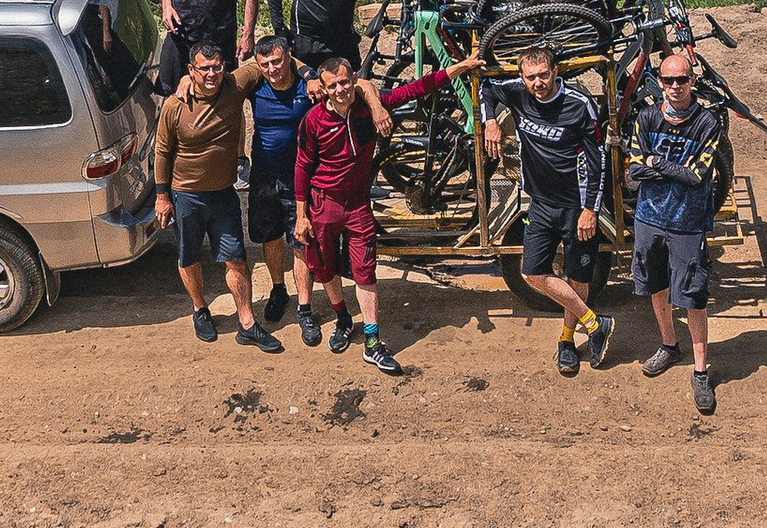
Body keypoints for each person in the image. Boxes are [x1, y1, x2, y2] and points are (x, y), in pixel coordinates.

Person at [293, 43, 477, 379]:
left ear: (354, 81)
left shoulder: (366, 108)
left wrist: (458, 68)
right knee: (324, 268)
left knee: (366, 270)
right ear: (325, 87)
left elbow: (417, 87)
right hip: (324, 203)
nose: (340, 90)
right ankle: (343, 318)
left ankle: (373, 341)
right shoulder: (314, 120)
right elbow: (303, 166)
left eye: (345, 83)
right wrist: (301, 215)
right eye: (333, 85)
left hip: (358, 203)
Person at [483, 44, 614, 372]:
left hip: (575, 206)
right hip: (540, 203)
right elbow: (485, 89)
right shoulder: (517, 92)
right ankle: (595, 323)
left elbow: (598, 162)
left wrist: (590, 210)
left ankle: (567, 341)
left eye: (544, 75)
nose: (538, 83)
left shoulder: (578, 105)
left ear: (556, 72)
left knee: (577, 277)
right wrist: (490, 123)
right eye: (531, 77)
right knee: (531, 273)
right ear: (522, 77)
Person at [624, 41, 733, 415]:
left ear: (691, 81)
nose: (675, 86)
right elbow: (633, 172)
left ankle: (701, 370)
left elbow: (696, 175)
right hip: (649, 219)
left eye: (682, 79)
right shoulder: (647, 119)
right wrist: (662, 167)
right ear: (659, 81)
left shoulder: (707, 123)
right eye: (668, 80)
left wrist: (657, 163)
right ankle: (669, 346)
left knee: (694, 296)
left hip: (688, 223)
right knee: (656, 285)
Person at [154, 40, 274, 350]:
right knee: (189, 256)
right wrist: (162, 196)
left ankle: (246, 322)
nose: (212, 74)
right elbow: (162, 152)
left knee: (236, 258)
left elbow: (272, 61)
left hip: (223, 195)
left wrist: (312, 75)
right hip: (185, 196)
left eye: (217, 67)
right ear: (190, 71)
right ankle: (200, 308)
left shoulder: (234, 85)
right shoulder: (174, 105)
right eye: (204, 69)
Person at [235, 30, 311, 331]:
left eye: (277, 62)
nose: (272, 70)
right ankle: (279, 289)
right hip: (264, 177)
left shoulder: (309, 85)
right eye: (265, 64)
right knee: (270, 237)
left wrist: (307, 71)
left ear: (288, 58)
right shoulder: (256, 86)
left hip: (300, 180)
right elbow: (228, 79)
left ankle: (305, 305)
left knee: (301, 242)